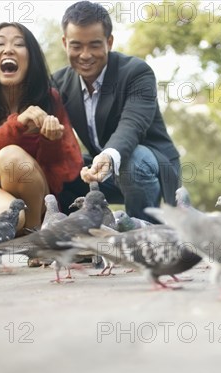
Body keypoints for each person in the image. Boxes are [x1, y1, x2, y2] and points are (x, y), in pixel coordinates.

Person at [52, 1, 181, 222]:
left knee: (132, 161)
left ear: (109, 42)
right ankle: (79, 240)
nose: (85, 55)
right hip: (103, 171)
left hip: (149, 167)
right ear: (65, 43)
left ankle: (144, 237)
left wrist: (109, 156)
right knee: (57, 166)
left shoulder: (136, 73)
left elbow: (132, 126)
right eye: (76, 46)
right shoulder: (59, 82)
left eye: (94, 45)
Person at [0, 22, 83, 236]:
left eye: (19, 44)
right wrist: (15, 126)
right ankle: (19, 233)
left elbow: (62, 175)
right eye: (0, 43)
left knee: (11, 160)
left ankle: (26, 233)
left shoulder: (49, 99)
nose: (9, 49)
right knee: (9, 216)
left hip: (35, 199)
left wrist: (50, 141)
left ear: (30, 56)